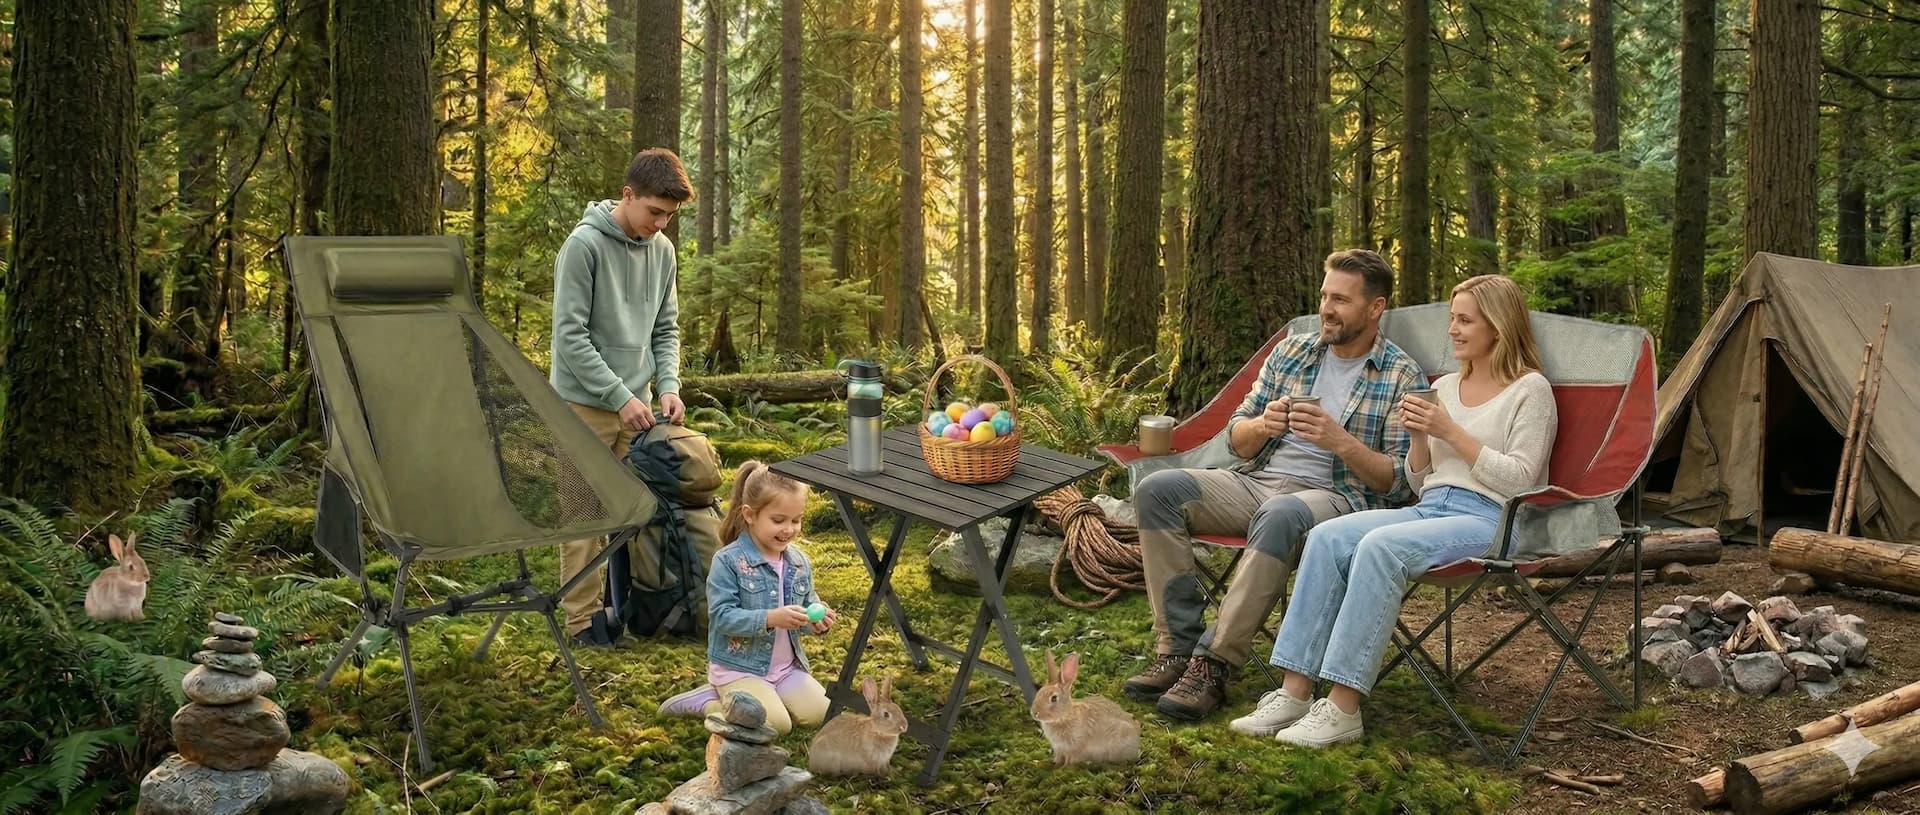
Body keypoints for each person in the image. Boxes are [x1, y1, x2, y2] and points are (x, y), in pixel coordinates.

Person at [1238, 274, 1557, 748]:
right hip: (1432, 507)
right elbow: (1420, 480)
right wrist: (1420, 439)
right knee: (1327, 537)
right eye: (1452, 319)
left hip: (1494, 519)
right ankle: (1294, 692)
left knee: (1380, 547)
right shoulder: (1446, 386)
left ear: (1499, 326)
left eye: (1465, 320)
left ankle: (1343, 707)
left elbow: (1523, 481)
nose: (1452, 329)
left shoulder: (1531, 390)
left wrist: (1450, 432)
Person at [1124, 250, 1427, 723]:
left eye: (1341, 300)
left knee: (1281, 513)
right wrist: (1264, 425)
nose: (1326, 309)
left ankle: (1214, 664)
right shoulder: (1292, 351)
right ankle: (1177, 650)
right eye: (1325, 296)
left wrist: (1339, 441)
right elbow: (1236, 439)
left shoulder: (1400, 374)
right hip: (1257, 482)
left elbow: (1399, 484)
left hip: (1336, 498)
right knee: (1157, 490)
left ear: (1375, 308)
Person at [552, 147, 694, 646]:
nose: (661, 224)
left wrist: (668, 385)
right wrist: (618, 396)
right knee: (583, 517)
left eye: (669, 216)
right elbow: (570, 338)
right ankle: (582, 623)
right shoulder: (583, 246)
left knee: (634, 513)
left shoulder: (663, 252)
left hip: (639, 409)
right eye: (654, 211)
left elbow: (666, 329)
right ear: (627, 195)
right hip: (583, 406)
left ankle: (630, 608)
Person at [658, 461, 840, 733]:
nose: (789, 529)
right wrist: (769, 618)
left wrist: (816, 621)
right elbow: (722, 617)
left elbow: (806, 607)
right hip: (739, 669)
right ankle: (709, 703)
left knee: (823, 713)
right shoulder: (729, 561)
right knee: (776, 724)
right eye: (778, 520)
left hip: (785, 669)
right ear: (750, 514)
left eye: (796, 520)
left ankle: (765, 697)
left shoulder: (799, 561)